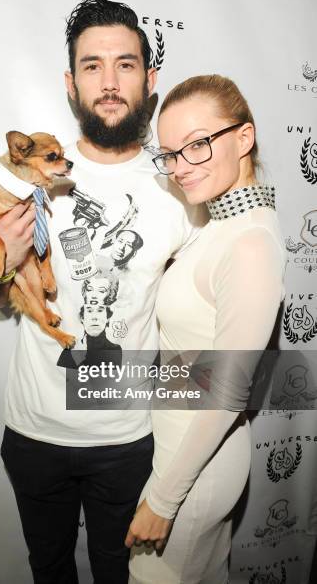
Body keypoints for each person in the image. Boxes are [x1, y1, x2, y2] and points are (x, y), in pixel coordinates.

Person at [0, 0, 200, 584]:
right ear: (71, 84)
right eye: (92, 66)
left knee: (119, 576)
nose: (109, 81)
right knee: (49, 571)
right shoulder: (26, 179)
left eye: (125, 64)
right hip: (33, 435)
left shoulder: (179, 191)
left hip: (128, 439)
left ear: (150, 79)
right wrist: (2, 264)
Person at [127, 74, 286, 584]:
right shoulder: (220, 222)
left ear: (244, 137)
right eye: (170, 153)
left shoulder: (249, 243)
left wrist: (163, 499)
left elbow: (229, 389)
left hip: (193, 475)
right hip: (188, 458)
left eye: (197, 145)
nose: (179, 169)